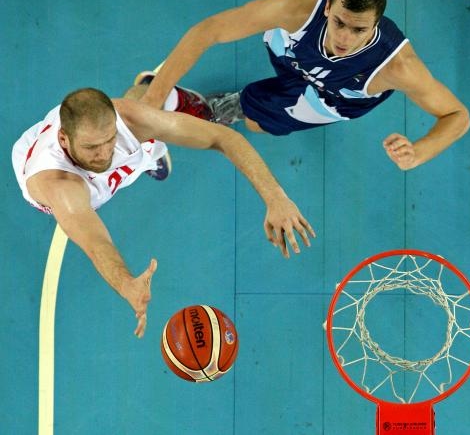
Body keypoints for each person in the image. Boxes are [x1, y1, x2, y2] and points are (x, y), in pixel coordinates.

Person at [130, 0, 470, 171]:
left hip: (337, 94)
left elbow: (457, 115)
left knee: (257, 122)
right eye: (339, 23)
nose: (344, 38)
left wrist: (419, 152)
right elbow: (209, 31)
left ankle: (216, 108)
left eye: (358, 30)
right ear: (327, 7)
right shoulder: (297, 9)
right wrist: (155, 97)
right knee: (274, 32)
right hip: (297, 54)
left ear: (377, 24)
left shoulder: (397, 66)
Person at [12, 87, 315, 338]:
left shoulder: (127, 120)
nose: (104, 154)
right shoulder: (59, 185)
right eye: (93, 147)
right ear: (64, 139)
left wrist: (276, 197)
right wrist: (126, 284)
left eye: (109, 140)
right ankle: (144, 156)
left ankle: (149, 107)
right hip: (69, 183)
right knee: (95, 191)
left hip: (111, 135)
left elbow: (223, 137)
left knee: (145, 111)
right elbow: (95, 242)